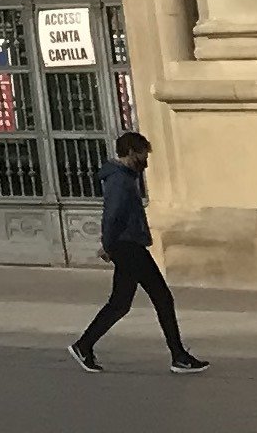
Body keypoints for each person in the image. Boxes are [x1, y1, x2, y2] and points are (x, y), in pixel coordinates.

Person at [71, 131, 208, 373]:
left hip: (127, 245)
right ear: (133, 152)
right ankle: (178, 356)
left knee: (121, 303)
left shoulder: (124, 177)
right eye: (144, 152)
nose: (146, 158)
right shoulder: (120, 181)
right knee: (161, 298)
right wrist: (109, 245)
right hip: (128, 247)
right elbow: (112, 216)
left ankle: (84, 345)